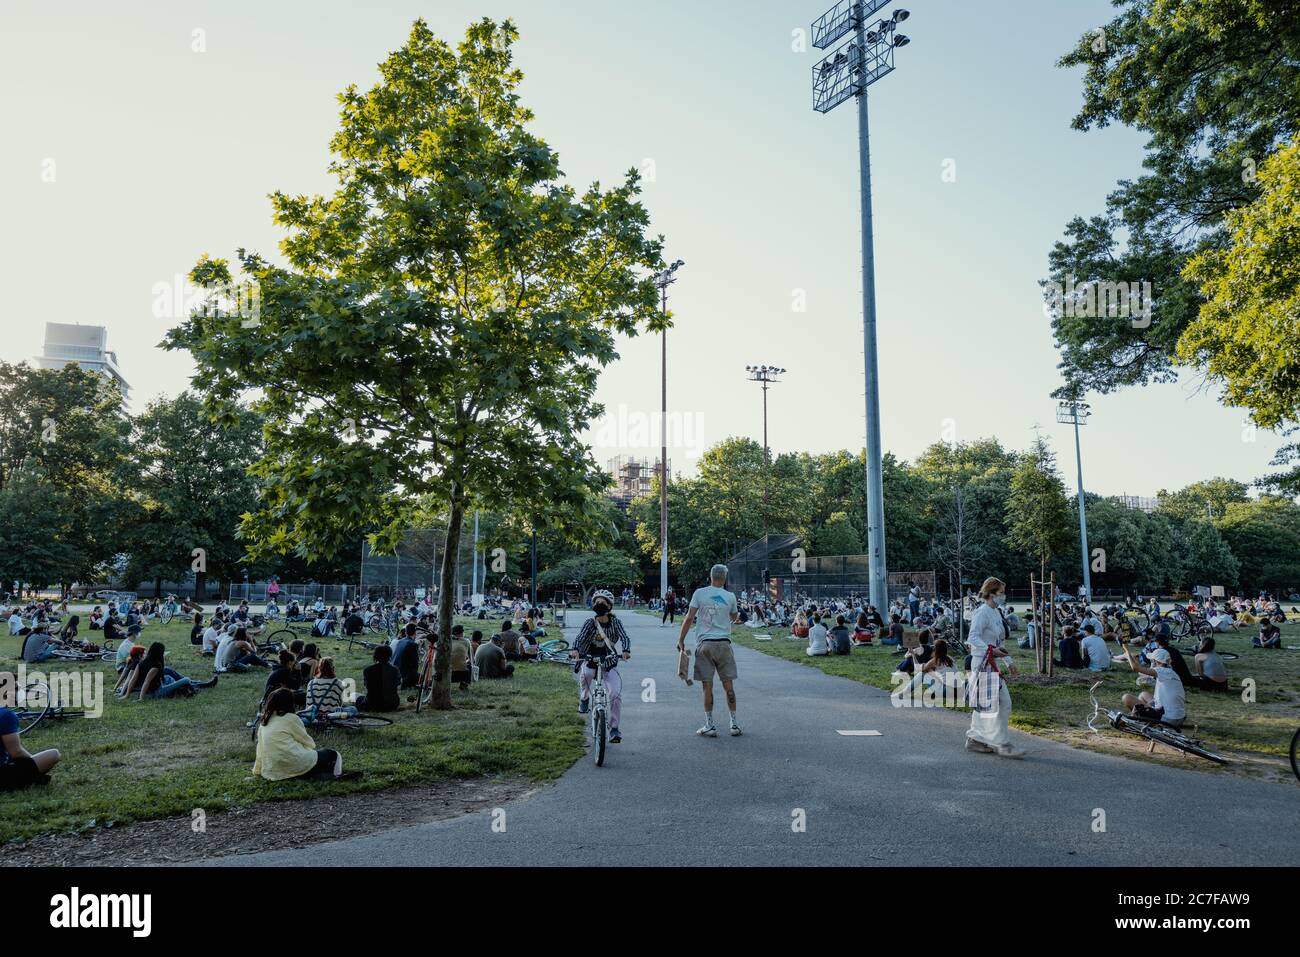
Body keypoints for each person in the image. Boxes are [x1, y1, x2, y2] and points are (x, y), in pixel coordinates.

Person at [677, 564, 742, 738]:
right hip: (724, 644)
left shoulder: (699, 593)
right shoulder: (730, 596)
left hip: (705, 644)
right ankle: (734, 724)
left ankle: (710, 725)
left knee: (707, 686)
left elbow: (689, 618)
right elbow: (735, 618)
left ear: (711, 576)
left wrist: (681, 640)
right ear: (725, 578)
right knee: (728, 686)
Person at [964, 577, 1022, 758]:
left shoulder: (996, 612)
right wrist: (991, 650)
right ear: (990, 594)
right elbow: (972, 637)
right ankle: (1000, 743)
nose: (1003, 597)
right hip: (983, 663)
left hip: (991, 662)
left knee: (991, 705)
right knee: (997, 704)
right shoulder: (982, 612)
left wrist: (1009, 661)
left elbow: (999, 642)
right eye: (1001, 593)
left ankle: (977, 739)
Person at [253, 688, 353, 782]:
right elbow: (309, 743)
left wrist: (257, 771)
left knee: (315, 760)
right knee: (333, 754)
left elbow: (260, 750)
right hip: (295, 763)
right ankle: (337, 776)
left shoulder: (264, 723)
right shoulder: (291, 718)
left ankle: (315, 773)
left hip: (274, 771)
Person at [572, 589, 630, 742]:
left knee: (615, 695)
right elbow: (580, 637)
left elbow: (625, 637)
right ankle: (584, 699)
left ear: (609, 606)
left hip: (609, 662)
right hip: (590, 659)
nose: (598, 605)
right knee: (586, 676)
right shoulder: (590, 623)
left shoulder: (616, 622)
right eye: (596, 602)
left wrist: (626, 650)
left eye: (602, 603)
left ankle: (614, 729)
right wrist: (576, 650)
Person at [1119, 643, 1186, 727]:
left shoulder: (1161, 671)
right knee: (1143, 695)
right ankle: (1140, 715)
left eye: (1152, 661)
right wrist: (1135, 660)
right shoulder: (1170, 672)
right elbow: (1141, 671)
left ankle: (1135, 719)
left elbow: (1135, 668)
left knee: (1126, 698)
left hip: (1168, 719)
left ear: (1156, 661)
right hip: (1179, 717)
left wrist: (1127, 652)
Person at [122, 642, 217, 699]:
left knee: (168, 677)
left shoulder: (141, 663)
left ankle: (188, 689)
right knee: (186, 680)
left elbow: (133, 680)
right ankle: (193, 687)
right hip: (157, 692)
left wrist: (126, 694)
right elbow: (146, 682)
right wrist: (140, 698)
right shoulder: (155, 666)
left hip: (156, 687)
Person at [0, 706, 60, 791]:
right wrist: (34, 764)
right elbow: (16, 752)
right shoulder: (5, 715)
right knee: (53, 754)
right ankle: (31, 779)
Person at [357, 645, 401, 712]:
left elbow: (367, 686)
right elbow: (398, 684)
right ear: (390, 656)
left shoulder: (368, 670)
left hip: (372, 705)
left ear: (375, 656)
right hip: (392, 704)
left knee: (356, 696)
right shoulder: (395, 670)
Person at [391, 623, 421, 688]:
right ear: (415, 632)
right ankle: (404, 683)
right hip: (404, 675)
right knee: (424, 679)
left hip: (395, 672)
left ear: (406, 632)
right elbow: (415, 664)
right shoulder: (412, 644)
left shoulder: (400, 641)